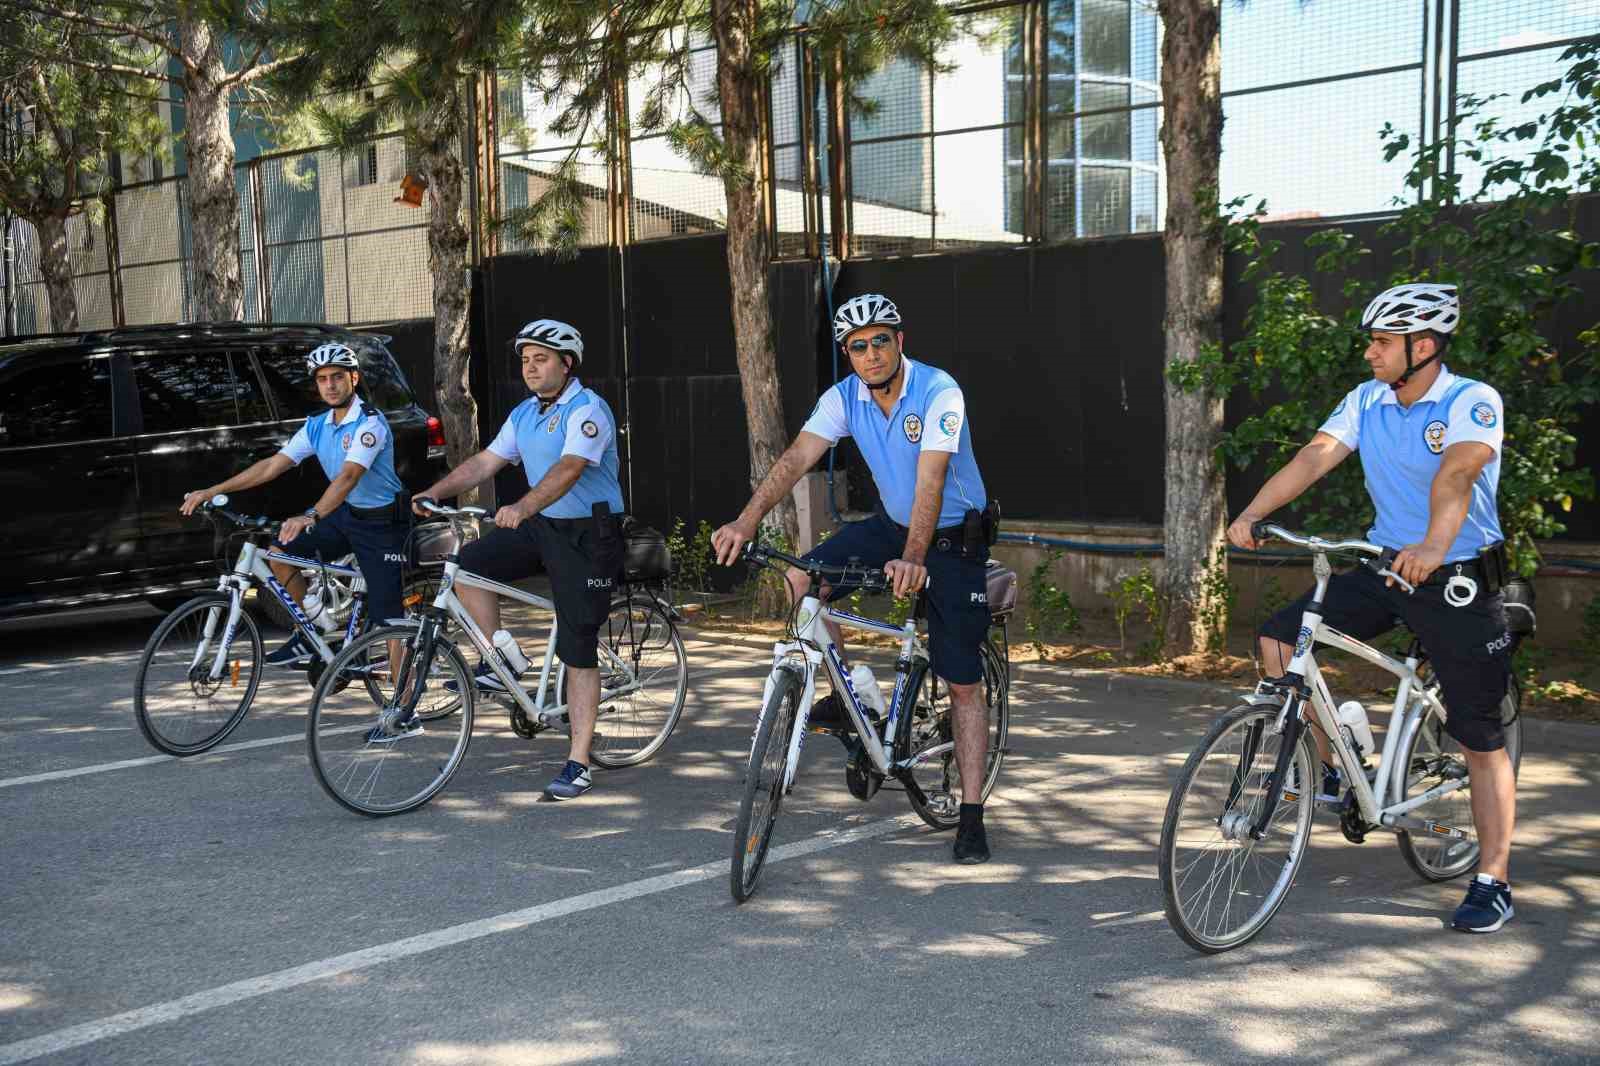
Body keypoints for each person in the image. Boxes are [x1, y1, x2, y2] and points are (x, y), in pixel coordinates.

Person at [1227, 282, 1518, 933]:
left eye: (1382, 341)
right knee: (1281, 641)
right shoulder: (1369, 401)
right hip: (1390, 567)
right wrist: (1252, 512)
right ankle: (1333, 771)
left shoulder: (1471, 400)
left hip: (1459, 580)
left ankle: (1493, 877)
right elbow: (1314, 457)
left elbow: (1460, 473)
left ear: (1423, 346)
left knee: (1479, 737)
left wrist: (1435, 545)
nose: (1370, 352)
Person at [711, 293, 997, 865]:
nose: (870, 354)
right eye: (858, 347)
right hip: (893, 527)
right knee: (802, 580)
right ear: (849, 355)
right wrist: (745, 521)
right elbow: (796, 459)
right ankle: (849, 696)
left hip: (952, 539)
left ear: (899, 341)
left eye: (880, 341)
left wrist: (914, 557)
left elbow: (931, 479)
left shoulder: (939, 391)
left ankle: (970, 814)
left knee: (962, 682)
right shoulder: (845, 397)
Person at [414, 319, 624, 801]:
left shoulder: (588, 409)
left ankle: (578, 761)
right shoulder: (526, 413)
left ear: (566, 364)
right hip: (542, 525)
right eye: (526, 360)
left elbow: (570, 468)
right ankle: (502, 655)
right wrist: (436, 491)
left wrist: (524, 505)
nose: (530, 368)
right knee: (467, 565)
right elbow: (485, 462)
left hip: (588, 534)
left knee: (578, 646)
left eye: (541, 359)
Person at [181, 342, 411, 672]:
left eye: (337, 377)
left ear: (354, 378)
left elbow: (348, 477)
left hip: (383, 523)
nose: (330, 385)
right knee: (280, 554)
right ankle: (315, 628)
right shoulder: (317, 424)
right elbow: (273, 465)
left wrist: (310, 515)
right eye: (322, 379)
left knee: (390, 622)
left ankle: (405, 715)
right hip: (346, 514)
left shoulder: (369, 423)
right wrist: (213, 490)